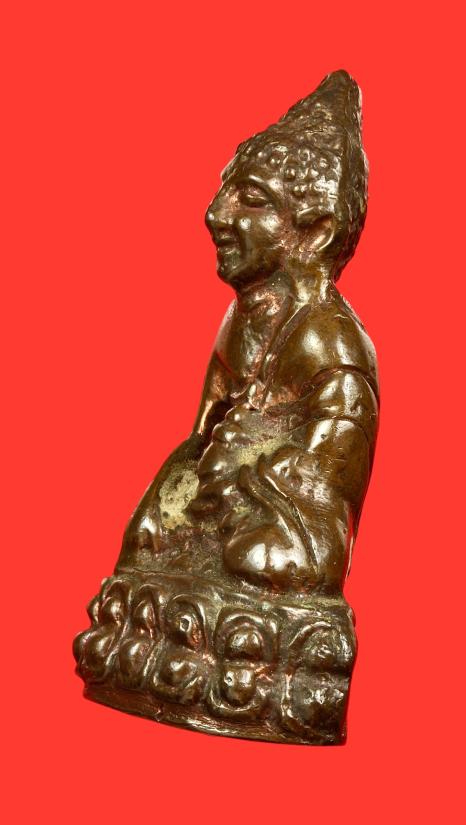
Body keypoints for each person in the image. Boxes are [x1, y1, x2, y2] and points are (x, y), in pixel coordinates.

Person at [117, 70, 378, 595]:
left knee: (260, 561)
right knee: (143, 546)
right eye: (225, 193)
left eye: (250, 200)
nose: (216, 215)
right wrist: (166, 503)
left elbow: (327, 490)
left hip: (272, 526)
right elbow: (200, 438)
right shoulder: (238, 323)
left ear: (315, 232)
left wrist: (248, 478)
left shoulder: (330, 343)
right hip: (222, 507)